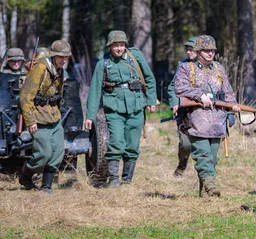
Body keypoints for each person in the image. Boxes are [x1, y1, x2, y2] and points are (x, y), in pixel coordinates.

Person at [84, 30, 157, 187]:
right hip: (114, 108)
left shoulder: (135, 57)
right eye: (116, 45)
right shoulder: (103, 63)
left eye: (122, 45)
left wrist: (151, 100)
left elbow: (150, 78)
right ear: (110, 46)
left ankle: (127, 180)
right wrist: (89, 115)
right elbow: (95, 90)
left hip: (136, 106)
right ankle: (114, 179)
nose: (119, 48)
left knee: (132, 145)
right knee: (116, 142)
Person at [173, 35, 239, 197]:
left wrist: (232, 108)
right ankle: (211, 187)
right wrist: (199, 95)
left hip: (217, 122)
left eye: (212, 50)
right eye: (206, 50)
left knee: (212, 159)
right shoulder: (186, 68)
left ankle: (203, 194)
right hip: (196, 120)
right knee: (203, 155)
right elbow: (179, 88)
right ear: (198, 51)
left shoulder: (218, 68)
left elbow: (228, 91)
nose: (210, 53)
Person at [18, 40, 72, 193]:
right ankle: (25, 176)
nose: (63, 60)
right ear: (53, 55)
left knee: (58, 153)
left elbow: (58, 94)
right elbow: (26, 95)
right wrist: (30, 120)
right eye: (61, 56)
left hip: (53, 118)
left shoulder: (59, 70)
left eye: (66, 57)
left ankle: (46, 186)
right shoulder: (40, 68)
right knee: (43, 153)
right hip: (38, 118)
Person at [167, 36, 198, 177]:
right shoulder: (183, 65)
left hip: (205, 113)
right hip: (185, 112)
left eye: (191, 50)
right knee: (186, 144)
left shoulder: (212, 67)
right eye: (188, 50)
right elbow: (172, 87)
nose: (188, 52)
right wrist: (174, 102)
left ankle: (204, 175)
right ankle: (182, 162)